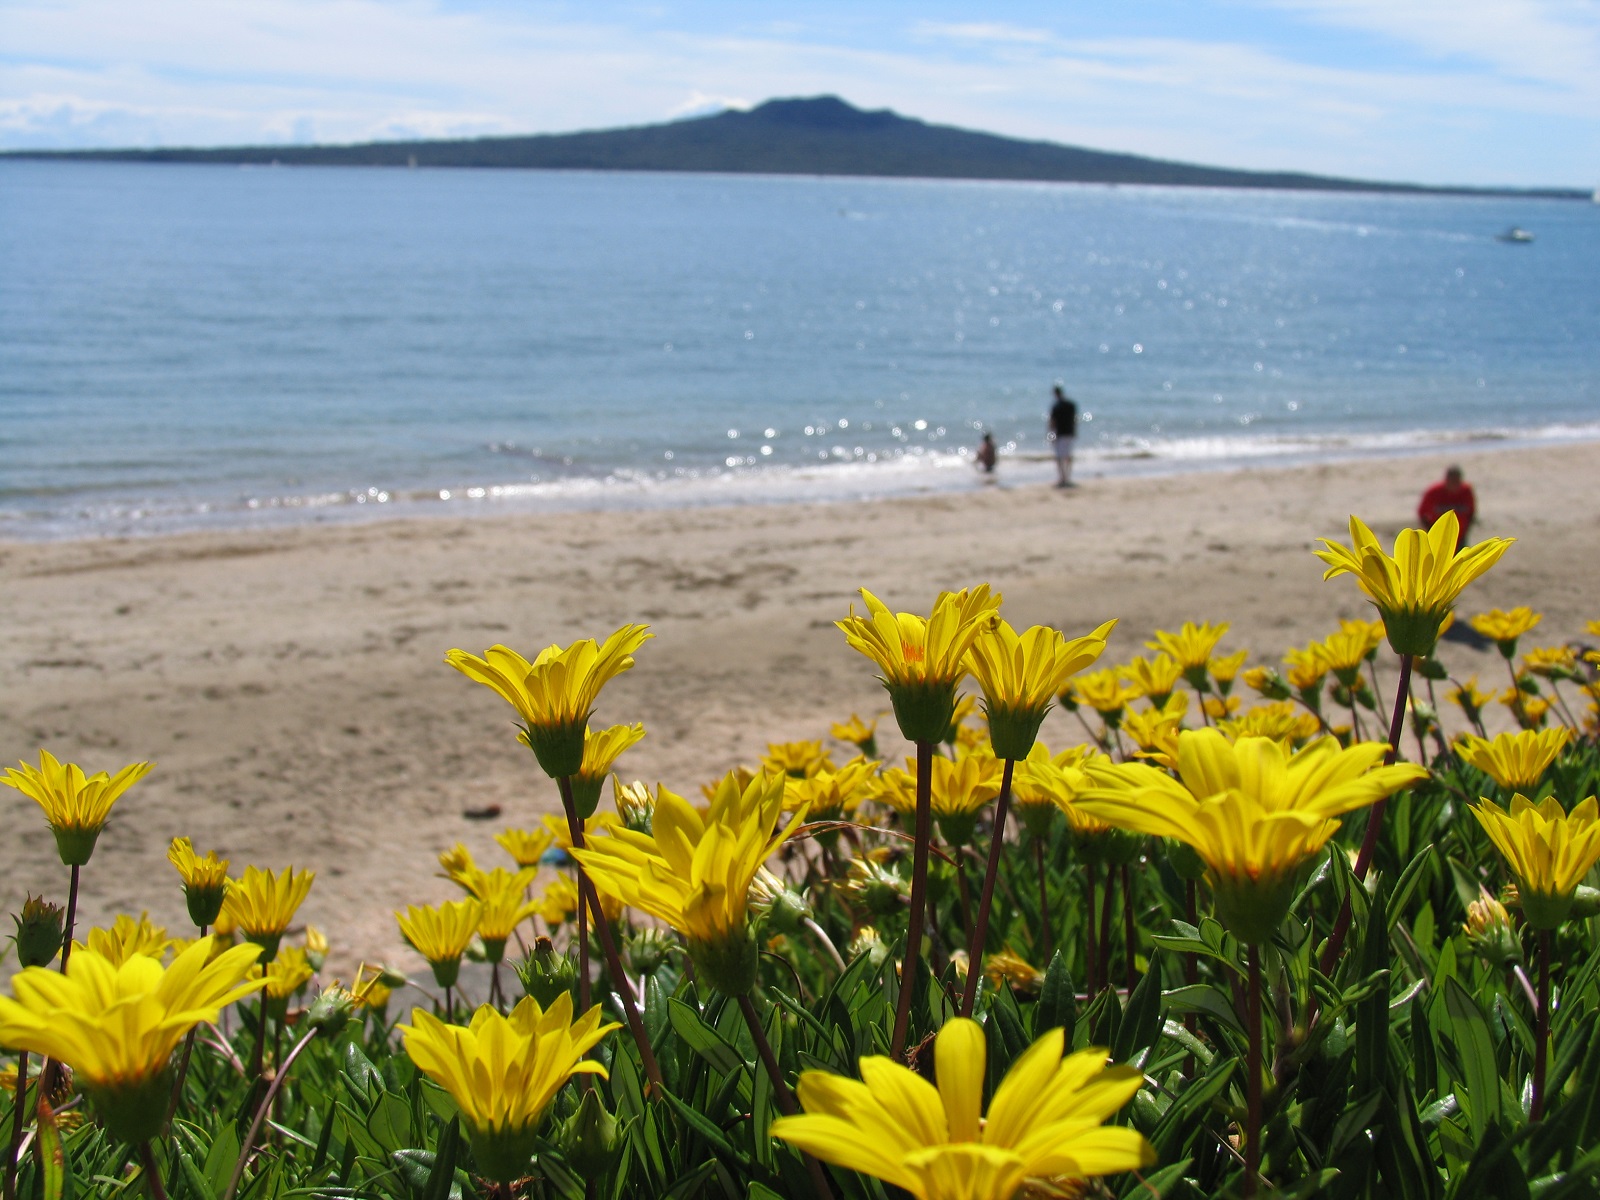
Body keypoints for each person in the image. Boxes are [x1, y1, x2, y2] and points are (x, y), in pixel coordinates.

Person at [1418, 465, 1476, 548]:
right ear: (1446, 479)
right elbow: (1422, 512)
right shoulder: (1434, 492)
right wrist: (1430, 530)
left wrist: (1466, 529)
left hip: (1460, 536)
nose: (1454, 484)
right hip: (1438, 537)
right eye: (1452, 481)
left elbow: (1472, 512)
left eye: (1457, 481)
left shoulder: (1466, 491)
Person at [1049, 385, 1078, 488]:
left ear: (1055, 394)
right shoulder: (1071, 405)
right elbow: (1075, 420)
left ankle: (1063, 477)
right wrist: (1075, 431)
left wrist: (1050, 435)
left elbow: (1052, 422)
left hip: (1060, 434)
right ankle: (1068, 477)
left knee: (1059, 457)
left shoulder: (1056, 406)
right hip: (1069, 432)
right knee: (1068, 456)